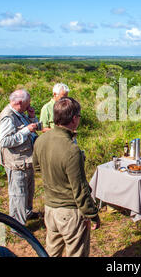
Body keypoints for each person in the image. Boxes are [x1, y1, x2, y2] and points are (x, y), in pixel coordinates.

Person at [33, 97, 100, 257]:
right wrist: (93, 214)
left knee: (51, 250)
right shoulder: (71, 150)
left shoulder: (40, 140)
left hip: (50, 207)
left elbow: (36, 167)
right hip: (70, 212)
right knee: (77, 252)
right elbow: (80, 189)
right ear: (74, 119)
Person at [0, 89, 40, 226]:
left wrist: (32, 117)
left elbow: (31, 128)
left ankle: (27, 213)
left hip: (26, 160)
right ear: (20, 102)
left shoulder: (19, 114)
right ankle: (17, 225)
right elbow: (5, 141)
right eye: (27, 103)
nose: (29, 105)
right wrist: (27, 130)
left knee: (28, 190)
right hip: (16, 163)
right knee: (18, 194)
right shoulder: (8, 117)